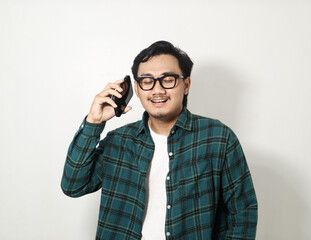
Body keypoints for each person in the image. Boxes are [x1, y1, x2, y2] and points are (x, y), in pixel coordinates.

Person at [61, 40, 258, 240]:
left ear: (186, 84)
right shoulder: (118, 141)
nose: (157, 90)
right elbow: (73, 185)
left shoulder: (218, 139)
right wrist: (94, 121)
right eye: (147, 81)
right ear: (136, 89)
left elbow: (243, 211)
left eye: (168, 79)